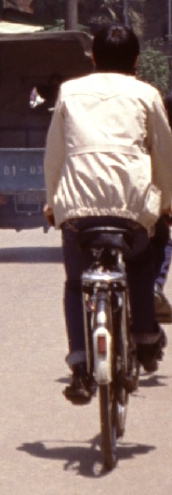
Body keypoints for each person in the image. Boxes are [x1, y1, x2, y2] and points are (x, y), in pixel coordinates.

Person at [41, 25, 172, 404]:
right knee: (140, 263)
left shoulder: (70, 91)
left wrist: (53, 201)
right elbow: (163, 154)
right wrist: (165, 204)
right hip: (132, 204)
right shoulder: (147, 94)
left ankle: (81, 364)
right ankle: (146, 337)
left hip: (77, 205)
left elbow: (55, 155)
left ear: (93, 58)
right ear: (135, 60)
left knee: (75, 282)